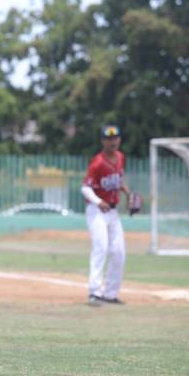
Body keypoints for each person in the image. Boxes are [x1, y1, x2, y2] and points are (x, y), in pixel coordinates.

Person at [81, 124, 131, 307]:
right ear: (102, 141)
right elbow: (85, 188)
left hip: (113, 211)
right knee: (101, 247)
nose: (113, 141)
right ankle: (94, 293)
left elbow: (119, 180)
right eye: (109, 139)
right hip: (97, 211)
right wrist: (98, 201)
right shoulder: (98, 162)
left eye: (116, 138)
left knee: (119, 252)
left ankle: (110, 293)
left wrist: (128, 194)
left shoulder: (120, 158)